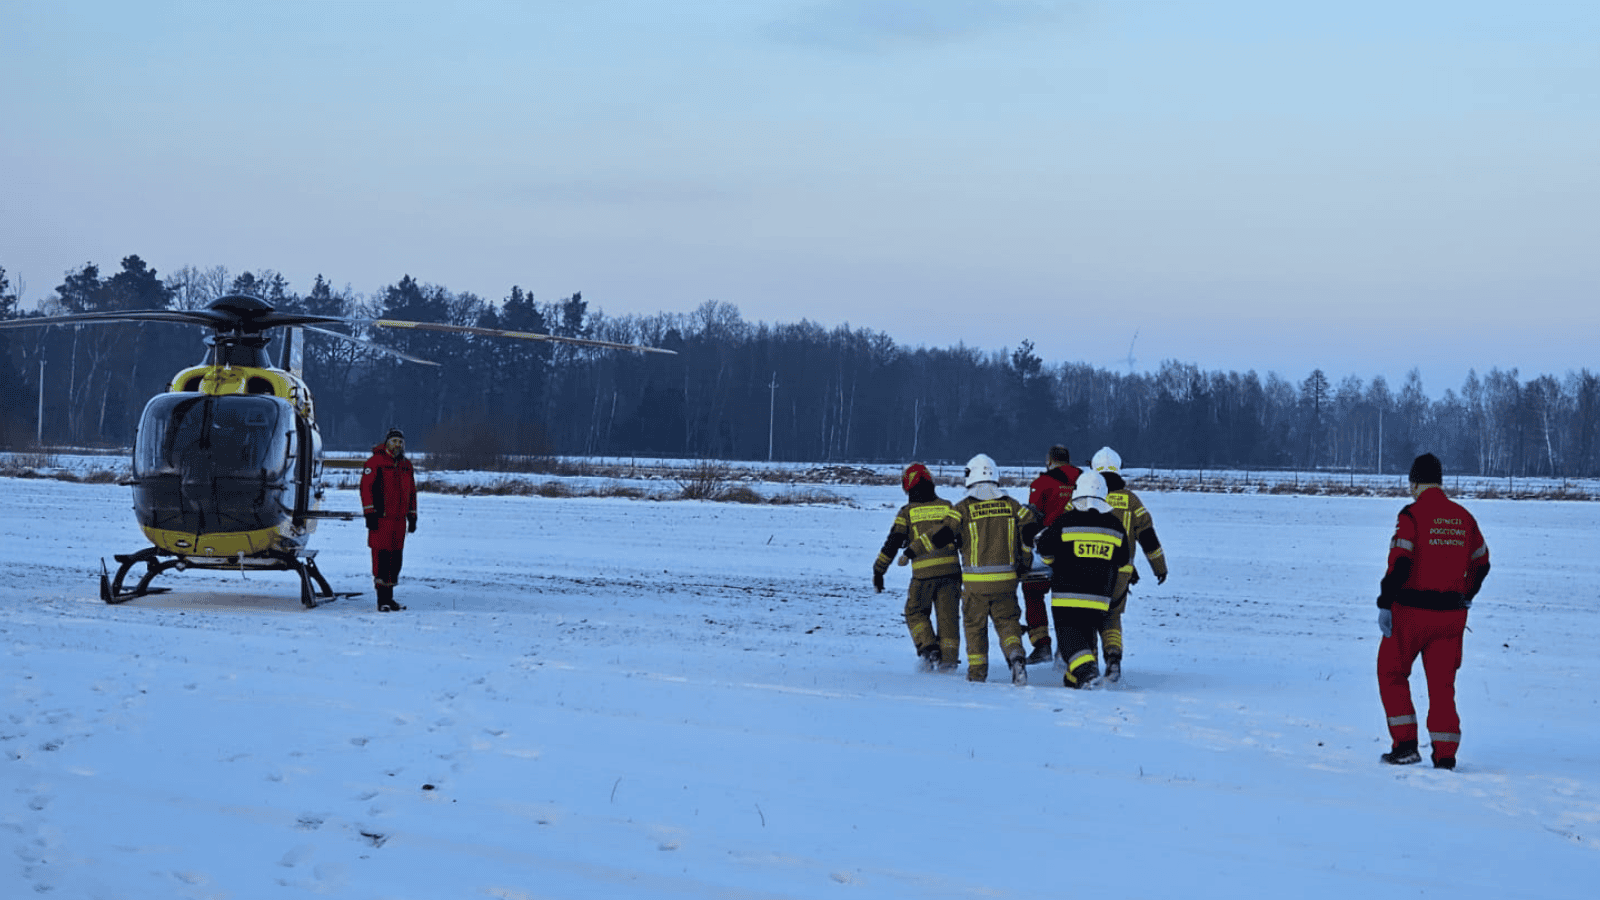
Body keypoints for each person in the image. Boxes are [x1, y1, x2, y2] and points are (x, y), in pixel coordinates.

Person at [1376, 452, 1491, 769]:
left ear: (1414, 483)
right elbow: (1482, 563)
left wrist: (1385, 603)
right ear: (1440, 482)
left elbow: (1401, 562)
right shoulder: (1464, 517)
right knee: (1442, 687)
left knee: (1391, 672)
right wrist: (1466, 595)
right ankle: (1445, 756)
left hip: (1410, 613)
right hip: (1451, 616)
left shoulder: (1411, 515)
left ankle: (1405, 746)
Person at [927, 453, 1034, 685]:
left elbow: (942, 535)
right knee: (1008, 624)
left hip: (975, 584)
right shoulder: (1012, 505)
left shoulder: (962, 508)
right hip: (1007, 580)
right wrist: (1024, 562)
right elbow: (1030, 527)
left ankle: (977, 674)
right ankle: (1016, 658)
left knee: (975, 628)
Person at [1034, 470, 1131, 689]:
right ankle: (1073, 681)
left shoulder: (1065, 520)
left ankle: (1087, 673)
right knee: (1086, 639)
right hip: (1100, 598)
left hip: (1067, 596)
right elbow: (1123, 558)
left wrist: (1052, 560)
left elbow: (1045, 550)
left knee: (1070, 642)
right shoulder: (1115, 525)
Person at [1089, 447, 1168, 683]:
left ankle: (1088, 665)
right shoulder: (1131, 500)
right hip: (1122, 573)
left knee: (1089, 618)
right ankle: (1113, 659)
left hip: (1089, 570)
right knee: (1112, 618)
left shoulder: (1087, 495)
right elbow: (1148, 537)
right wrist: (1159, 568)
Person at [873, 463, 962, 671]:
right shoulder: (948, 506)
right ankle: (948, 662)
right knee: (948, 619)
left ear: (908, 487)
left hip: (923, 575)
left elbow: (893, 542)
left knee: (915, 611)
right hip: (951, 574)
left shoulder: (907, 512)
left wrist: (879, 570)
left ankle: (929, 648)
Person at [1018, 444, 1081, 665]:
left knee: (1033, 591)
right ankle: (1069, 648)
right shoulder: (1083, 479)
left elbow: (1034, 515)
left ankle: (1041, 643)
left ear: (1050, 460)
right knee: (1069, 600)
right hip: (1078, 549)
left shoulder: (1042, 483)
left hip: (1048, 547)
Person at [360, 427, 418, 612]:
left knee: (395, 560)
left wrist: (413, 515)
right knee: (381, 559)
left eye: (400, 442)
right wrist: (369, 513)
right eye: (394, 441)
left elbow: (412, 492)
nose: (397, 445)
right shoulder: (375, 462)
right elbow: (366, 488)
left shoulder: (406, 465)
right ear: (387, 443)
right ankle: (381, 600)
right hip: (381, 519)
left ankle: (390, 597)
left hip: (399, 521)